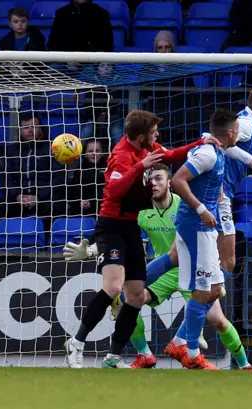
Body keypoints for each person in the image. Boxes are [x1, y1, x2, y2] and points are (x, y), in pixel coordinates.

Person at [63, 109, 221, 369]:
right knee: (113, 288)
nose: (157, 135)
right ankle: (77, 342)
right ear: (139, 136)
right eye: (153, 132)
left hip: (130, 229)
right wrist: (139, 168)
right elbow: (113, 192)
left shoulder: (149, 147)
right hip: (111, 226)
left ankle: (113, 356)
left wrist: (199, 144)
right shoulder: (120, 155)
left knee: (135, 297)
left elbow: (170, 155)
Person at [64, 163, 252, 370]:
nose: (153, 184)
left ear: (169, 183)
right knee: (126, 301)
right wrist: (92, 249)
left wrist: (214, 269)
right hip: (162, 271)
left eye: (158, 179)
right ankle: (144, 354)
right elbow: (113, 231)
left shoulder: (185, 206)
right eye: (150, 180)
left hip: (191, 270)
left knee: (217, 319)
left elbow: (210, 230)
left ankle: (244, 365)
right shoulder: (141, 211)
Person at [138, 87, 252, 307]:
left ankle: (130, 290)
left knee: (176, 257)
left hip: (216, 195)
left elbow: (221, 144)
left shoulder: (248, 125)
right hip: (218, 197)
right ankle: (195, 314)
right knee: (227, 263)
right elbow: (214, 140)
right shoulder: (248, 125)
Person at [166, 108, 238, 369]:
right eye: (237, 128)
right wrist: (201, 208)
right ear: (230, 131)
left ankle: (180, 341)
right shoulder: (208, 153)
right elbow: (177, 180)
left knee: (215, 288)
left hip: (205, 228)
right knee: (202, 289)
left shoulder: (215, 150)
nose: (239, 132)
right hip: (196, 226)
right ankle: (192, 352)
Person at [68, 139, 107, 217]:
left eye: (97, 150)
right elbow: (75, 189)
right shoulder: (79, 170)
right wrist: (81, 201)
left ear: (102, 153)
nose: (94, 153)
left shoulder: (108, 169)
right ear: (85, 154)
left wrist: (92, 202)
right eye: (90, 151)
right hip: (82, 209)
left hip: (103, 209)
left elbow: (106, 189)